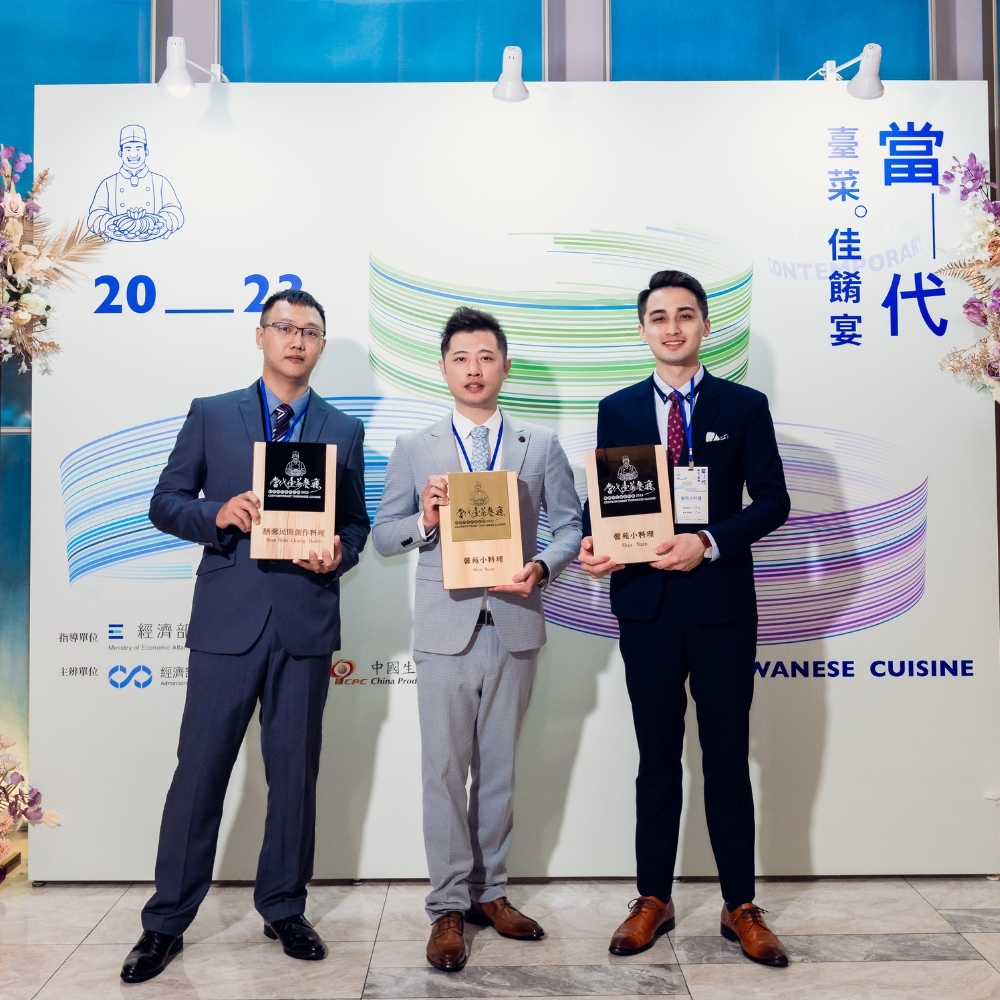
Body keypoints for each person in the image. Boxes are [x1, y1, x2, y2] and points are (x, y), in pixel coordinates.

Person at [120, 288, 370, 983]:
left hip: (304, 622)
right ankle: (165, 922)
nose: (297, 340)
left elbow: (356, 524)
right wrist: (217, 514)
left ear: (321, 345)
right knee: (199, 772)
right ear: (261, 336)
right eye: (285, 327)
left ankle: (284, 907)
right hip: (227, 622)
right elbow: (164, 502)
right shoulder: (212, 414)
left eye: (310, 331)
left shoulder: (343, 429)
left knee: (294, 778)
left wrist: (339, 554)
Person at [579, 270, 791, 967]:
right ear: (643, 328)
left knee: (727, 756)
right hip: (647, 605)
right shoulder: (617, 409)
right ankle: (653, 898)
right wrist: (595, 544)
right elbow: (610, 499)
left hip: (722, 605)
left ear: (705, 325)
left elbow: (774, 501)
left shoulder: (744, 405)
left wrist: (708, 540)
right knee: (656, 758)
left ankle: (740, 904)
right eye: (659, 317)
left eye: (685, 315)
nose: (672, 328)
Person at [373, 307, 582, 972]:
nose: (474, 369)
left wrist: (542, 566)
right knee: (442, 770)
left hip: (514, 623)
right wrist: (426, 520)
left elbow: (571, 526)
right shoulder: (417, 448)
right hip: (446, 628)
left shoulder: (538, 445)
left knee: (499, 770)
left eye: (486, 357)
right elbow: (383, 536)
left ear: (504, 367)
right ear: (443, 368)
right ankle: (446, 906)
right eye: (461, 358)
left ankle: (490, 894)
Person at [88, 125, 184, 242]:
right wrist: (107, 225)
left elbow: (174, 210)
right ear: (120, 153)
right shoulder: (108, 184)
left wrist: (165, 222)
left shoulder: (160, 182)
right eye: (128, 149)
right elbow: (95, 214)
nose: (133, 155)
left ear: (146, 152)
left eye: (138, 149)